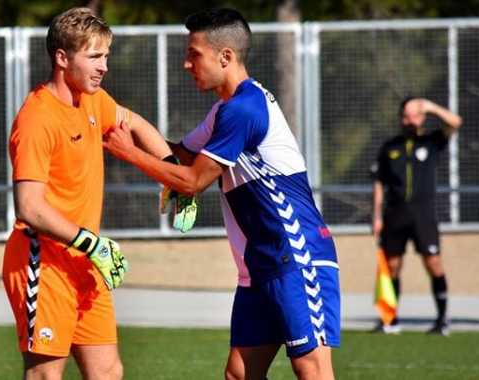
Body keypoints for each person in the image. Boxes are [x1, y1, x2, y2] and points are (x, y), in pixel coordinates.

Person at [104, 7, 340, 380]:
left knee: (312, 371)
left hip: (296, 254)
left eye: (193, 54)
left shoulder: (244, 109)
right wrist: (125, 120)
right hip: (261, 265)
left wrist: (126, 151)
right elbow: (179, 154)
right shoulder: (225, 111)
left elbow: (192, 180)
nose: (186, 64)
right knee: (239, 375)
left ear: (225, 56)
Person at [2, 7, 188, 380]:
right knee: (45, 375)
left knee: (107, 373)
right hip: (46, 262)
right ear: (61, 57)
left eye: (106, 56)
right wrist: (92, 243)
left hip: (87, 262)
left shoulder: (91, 99)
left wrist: (174, 174)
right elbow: (29, 206)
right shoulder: (37, 119)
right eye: (93, 57)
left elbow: (132, 123)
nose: (103, 66)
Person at [370, 97, 463, 336]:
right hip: (395, 212)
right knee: (391, 266)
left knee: (433, 263)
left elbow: (455, 122)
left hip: (423, 212)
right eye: (404, 115)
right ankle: (390, 319)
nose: (407, 120)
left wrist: (430, 107)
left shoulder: (431, 142)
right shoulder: (390, 147)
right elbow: (379, 183)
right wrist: (377, 216)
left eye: (412, 115)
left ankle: (442, 320)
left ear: (421, 118)